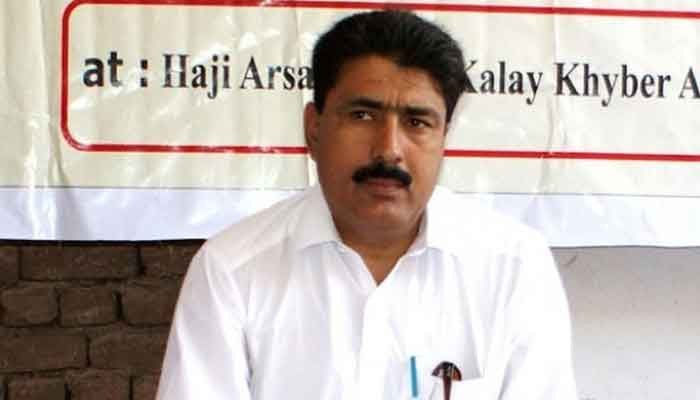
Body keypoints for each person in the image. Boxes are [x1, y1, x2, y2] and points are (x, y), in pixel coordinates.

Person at [156, 9, 577, 400]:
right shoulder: (232, 271)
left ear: (444, 138)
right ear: (313, 128)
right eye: (362, 115)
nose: (389, 149)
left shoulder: (514, 266)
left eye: (417, 122)